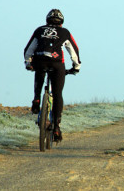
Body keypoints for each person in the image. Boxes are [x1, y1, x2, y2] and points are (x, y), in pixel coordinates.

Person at [24, 9, 81, 142]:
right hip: (57, 63)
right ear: (61, 22)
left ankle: (37, 99)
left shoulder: (39, 30)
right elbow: (74, 51)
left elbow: (28, 49)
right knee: (57, 94)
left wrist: (28, 63)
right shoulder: (64, 32)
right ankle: (56, 127)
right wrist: (76, 67)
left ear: (47, 21)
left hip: (40, 60)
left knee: (39, 70)